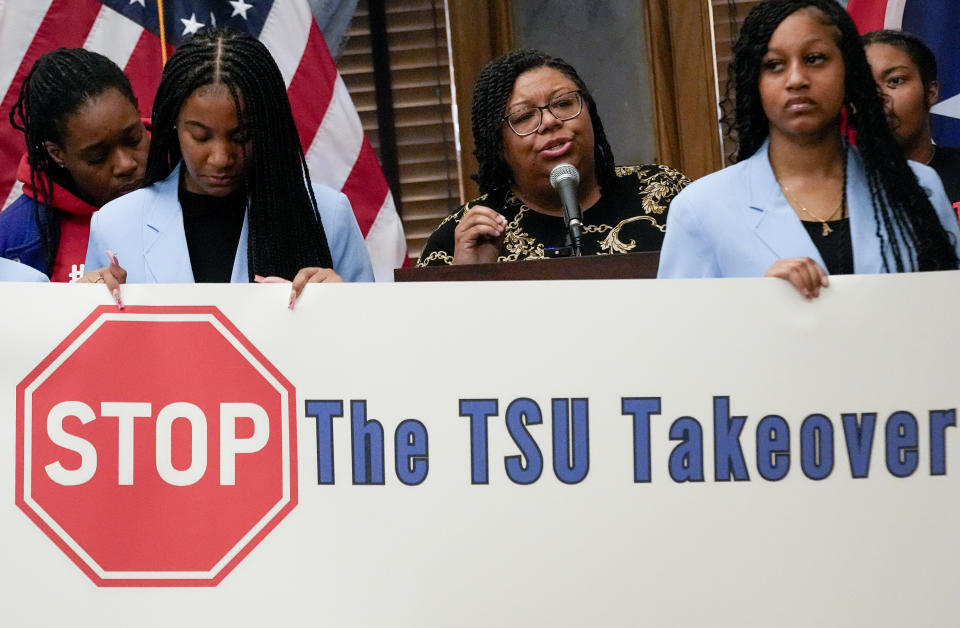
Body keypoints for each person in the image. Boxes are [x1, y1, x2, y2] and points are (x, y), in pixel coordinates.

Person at [658, 0, 960, 298]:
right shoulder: (700, 208)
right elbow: (680, 336)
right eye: (774, 65)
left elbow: (950, 315)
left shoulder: (920, 187)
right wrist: (753, 304)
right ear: (755, 82)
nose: (797, 79)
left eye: (814, 59)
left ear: (849, 70)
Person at [83, 28, 373, 306]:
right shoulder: (115, 225)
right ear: (173, 126)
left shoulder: (328, 215)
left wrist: (344, 305)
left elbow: (374, 342)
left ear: (266, 128)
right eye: (200, 136)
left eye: (241, 136)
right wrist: (79, 304)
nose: (221, 158)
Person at [417, 49, 688, 267]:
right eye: (524, 117)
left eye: (563, 103)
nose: (550, 121)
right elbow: (432, 332)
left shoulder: (663, 191)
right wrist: (468, 278)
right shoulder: (465, 236)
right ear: (498, 145)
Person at [0, 48, 148, 281]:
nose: (126, 164)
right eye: (98, 157)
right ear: (57, 153)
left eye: (133, 139)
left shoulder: (193, 179)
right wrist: (72, 307)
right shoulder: (15, 239)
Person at [863, 29, 960, 221]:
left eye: (895, 81)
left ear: (931, 92)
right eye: (863, 85)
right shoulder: (834, 191)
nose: (878, 97)